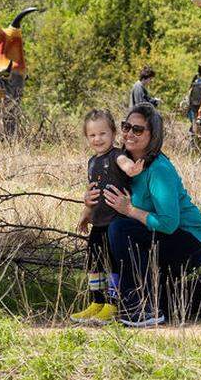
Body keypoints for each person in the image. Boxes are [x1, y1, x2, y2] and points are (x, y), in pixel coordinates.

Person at [103, 103, 201, 326]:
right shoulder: (123, 163)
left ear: (152, 135)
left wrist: (129, 210)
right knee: (111, 229)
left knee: (120, 228)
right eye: (126, 127)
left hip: (188, 240)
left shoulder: (158, 169)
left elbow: (168, 224)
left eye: (138, 130)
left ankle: (144, 308)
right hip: (157, 236)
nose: (129, 133)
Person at [70, 109, 134, 325]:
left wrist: (133, 169)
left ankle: (112, 304)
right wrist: (85, 214)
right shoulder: (91, 161)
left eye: (103, 134)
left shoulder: (117, 155)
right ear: (87, 137)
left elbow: (126, 164)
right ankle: (96, 302)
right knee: (94, 263)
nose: (98, 139)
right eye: (92, 135)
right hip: (97, 222)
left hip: (115, 222)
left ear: (113, 133)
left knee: (114, 263)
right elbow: (93, 193)